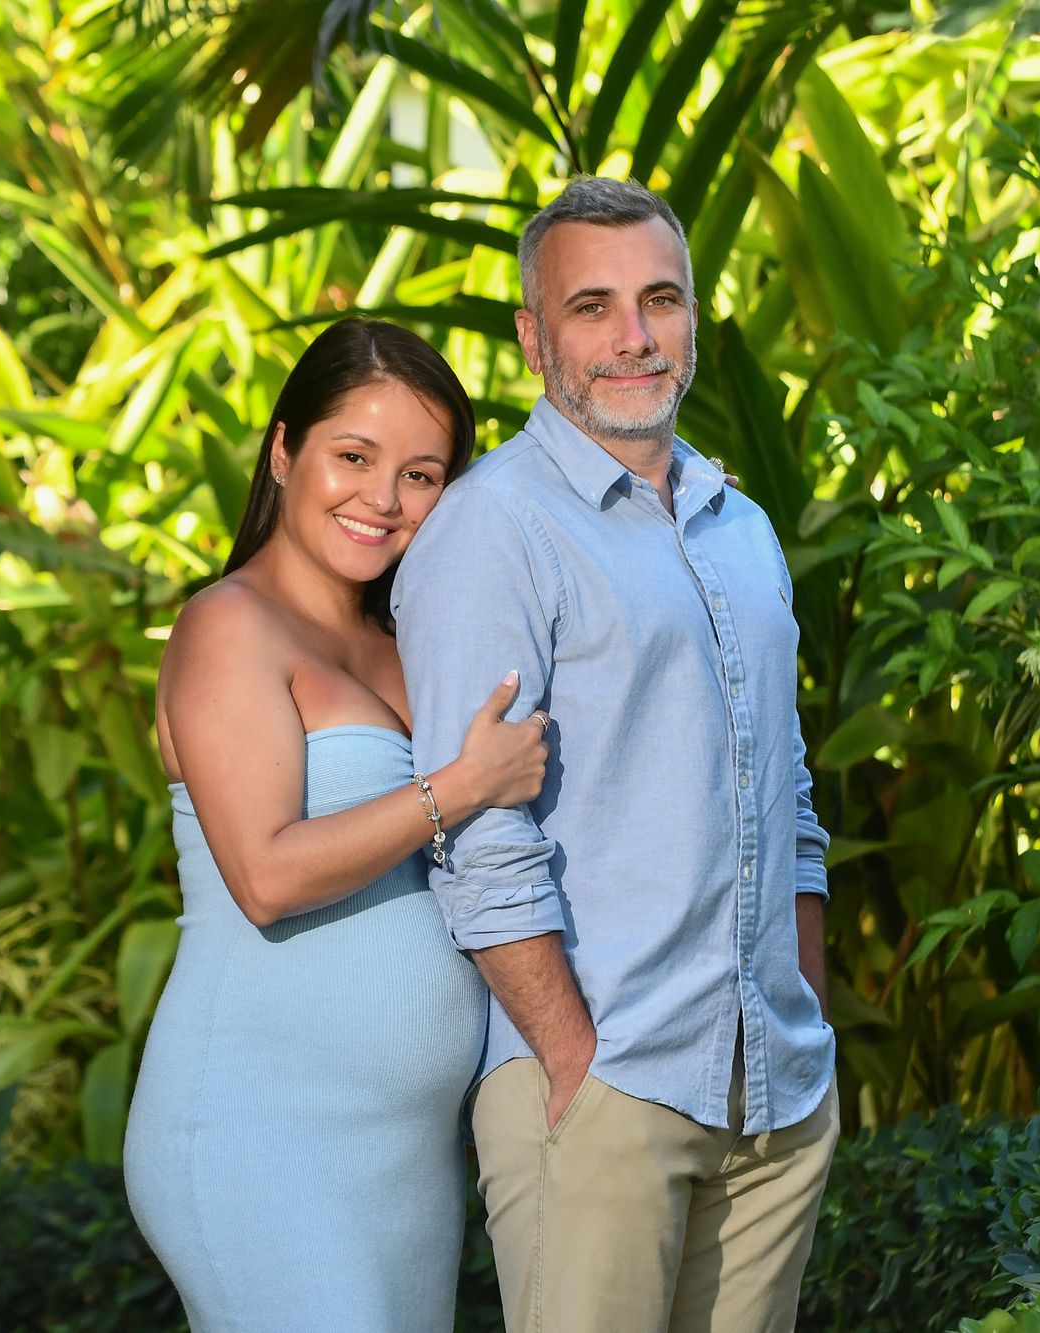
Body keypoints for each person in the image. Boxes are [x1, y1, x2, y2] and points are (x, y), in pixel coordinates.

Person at [394, 177, 841, 1332]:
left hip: (773, 1089)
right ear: (531, 337)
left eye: (660, 300)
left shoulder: (740, 527)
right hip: (605, 1087)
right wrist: (575, 1064)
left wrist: (801, 1016)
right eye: (590, 307)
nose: (633, 336)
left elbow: (785, 795)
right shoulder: (489, 531)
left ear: (692, 315)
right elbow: (476, 838)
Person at [124, 318, 552, 1332]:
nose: (383, 499)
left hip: (403, 1157)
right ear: (284, 450)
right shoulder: (227, 625)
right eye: (353, 457)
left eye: (420, 474)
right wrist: (458, 785)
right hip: (260, 1134)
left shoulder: (406, 640)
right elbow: (265, 875)